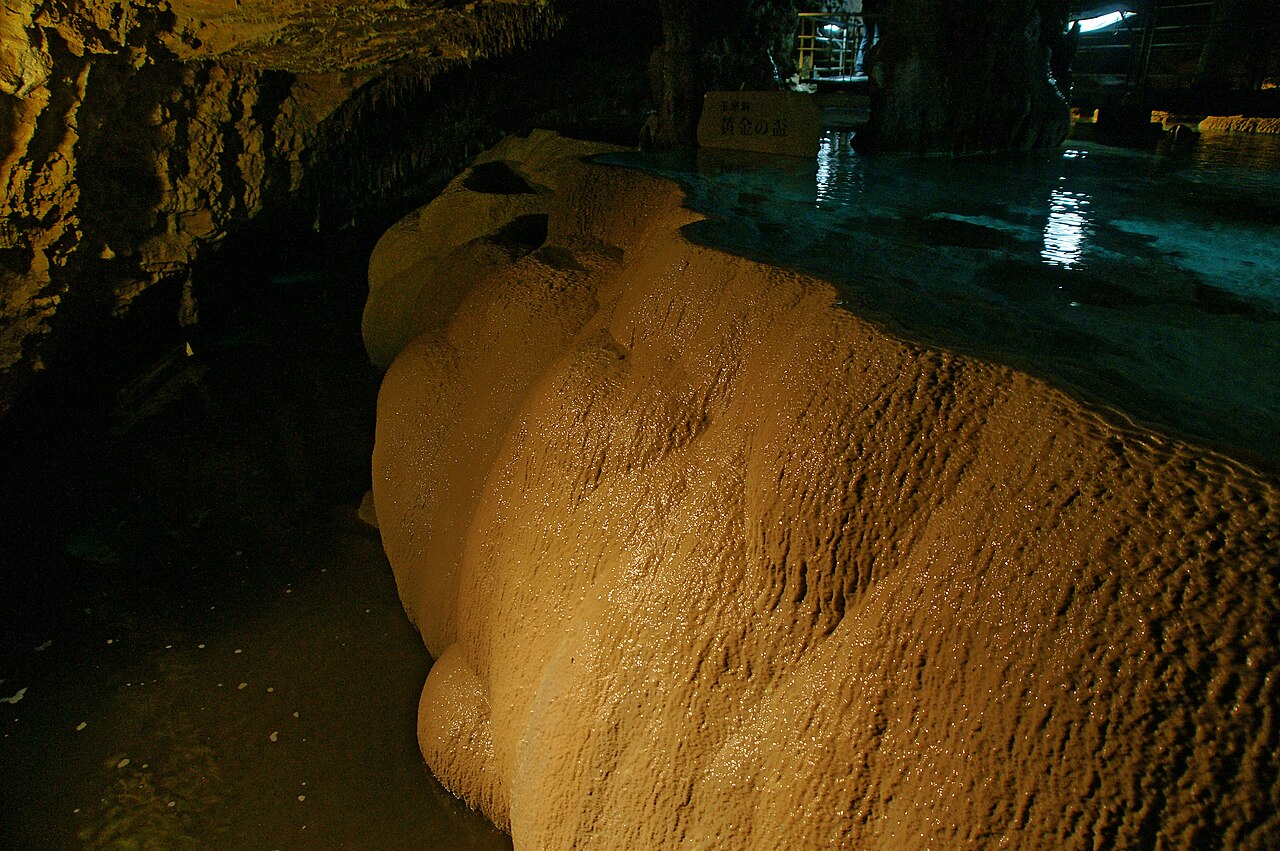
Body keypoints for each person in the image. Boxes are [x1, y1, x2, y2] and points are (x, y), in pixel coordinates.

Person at [857, 0, 882, 75]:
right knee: (875, 37)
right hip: (874, 9)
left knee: (870, 36)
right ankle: (875, 64)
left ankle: (860, 67)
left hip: (869, 9)